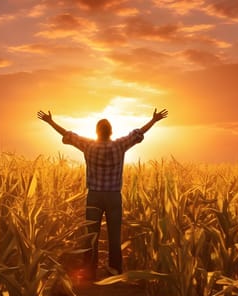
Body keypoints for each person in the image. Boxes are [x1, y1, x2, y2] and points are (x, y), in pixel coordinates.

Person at [37, 108, 168, 280]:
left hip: (94, 196)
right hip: (114, 196)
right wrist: (154, 120)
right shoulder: (119, 145)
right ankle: (115, 270)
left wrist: (50, 121)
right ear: (111, 131)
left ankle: (90, 272)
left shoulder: (88, 145)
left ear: (96, 132)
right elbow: (138, 133)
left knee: (91, 235)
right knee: (114, 235)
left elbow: (67, 134)